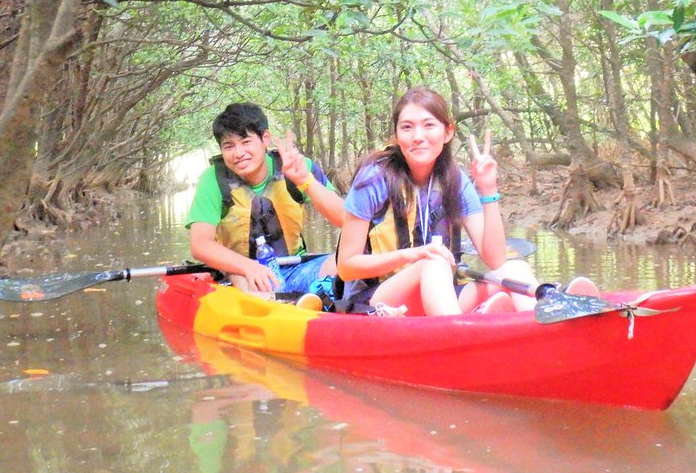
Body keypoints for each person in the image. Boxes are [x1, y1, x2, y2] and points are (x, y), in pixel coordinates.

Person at [336, 85, 541, 316]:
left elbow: (495, 260)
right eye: (407, 127)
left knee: (515, 269)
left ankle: (543, 330)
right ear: (397, 136)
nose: (418, 137)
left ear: (448, 132)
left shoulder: (456, 181)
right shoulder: (374, 179)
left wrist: (488, 189)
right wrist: (412, 255)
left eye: (429, 125)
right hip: (378, 300)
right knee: (434, 262)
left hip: (438, 297)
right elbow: (346, 267)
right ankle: (462, 330)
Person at [185, 102, 346, 295]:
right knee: (250, 283)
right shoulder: (212, 179)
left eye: (246, 142)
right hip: (241, 273)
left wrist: (305, 181)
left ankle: (317, 298)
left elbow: (347, 219)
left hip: (295, 267)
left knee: (350, 261)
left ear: (265, 139)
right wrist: (248, 267)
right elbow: (200, 245)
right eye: (229, 146)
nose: (238, 153)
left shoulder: (298, 166)